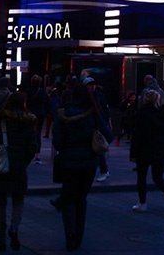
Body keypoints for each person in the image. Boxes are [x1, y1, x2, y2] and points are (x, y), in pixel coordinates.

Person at [50, 81, 109, 251]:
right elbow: (108, 135)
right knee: (81, 198)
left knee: (68, 198)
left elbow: (58, 142)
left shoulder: (62, 113)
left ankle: (69, 234)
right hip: (89, 161)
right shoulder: (93, 111)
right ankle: (79, 236)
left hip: (68, 160)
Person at [0, 91, 39, 251]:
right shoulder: (29, 122)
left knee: (0, 202)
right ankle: (14, 227)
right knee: (18, 200)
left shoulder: (1, 119)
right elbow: (33, 147)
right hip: (19, 167)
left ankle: (1, 239)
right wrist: (24, 161)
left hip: (1, 165)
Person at [130, 88, 164, 215]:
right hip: (159, 149)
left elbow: (137, 135)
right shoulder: (162, 114)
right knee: (158, 177)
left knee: (142, 177)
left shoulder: (142, 114)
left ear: (145, 99)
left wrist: (133, 153)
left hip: (144, 149)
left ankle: (142, 203)